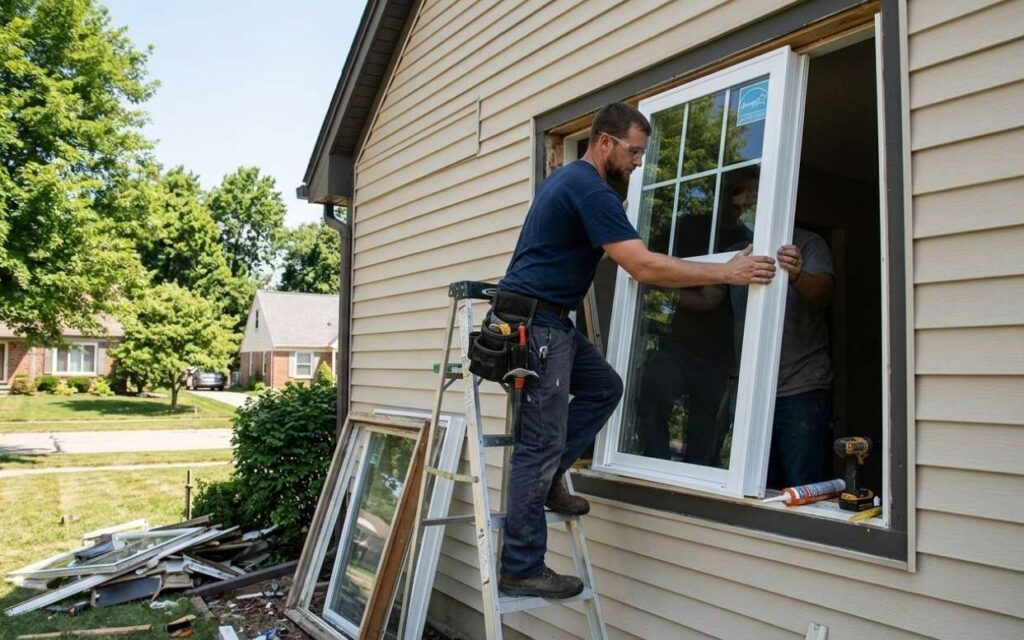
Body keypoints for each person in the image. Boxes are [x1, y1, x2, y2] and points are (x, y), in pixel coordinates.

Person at [491, 102, 777, 599]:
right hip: (534, 326)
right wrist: (726, 272)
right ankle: (521, 565)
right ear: (605, 142)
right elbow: (643, 268)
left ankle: (555, 471)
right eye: (635, 151)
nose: (640, 162)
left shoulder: (575, 186)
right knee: (535, 445)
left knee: (605, 388)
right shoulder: (586, 186)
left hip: (547, 321)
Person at [734, 228, 836, 488]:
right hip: (751, 389)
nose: (747, 201)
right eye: (740, 194)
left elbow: (824, 294)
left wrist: (797, 276)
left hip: (801, 385)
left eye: (753, 193)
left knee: (804, 488)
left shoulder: (808, 242)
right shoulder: (738, 250)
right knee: (754, 485)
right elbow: (711, 302)